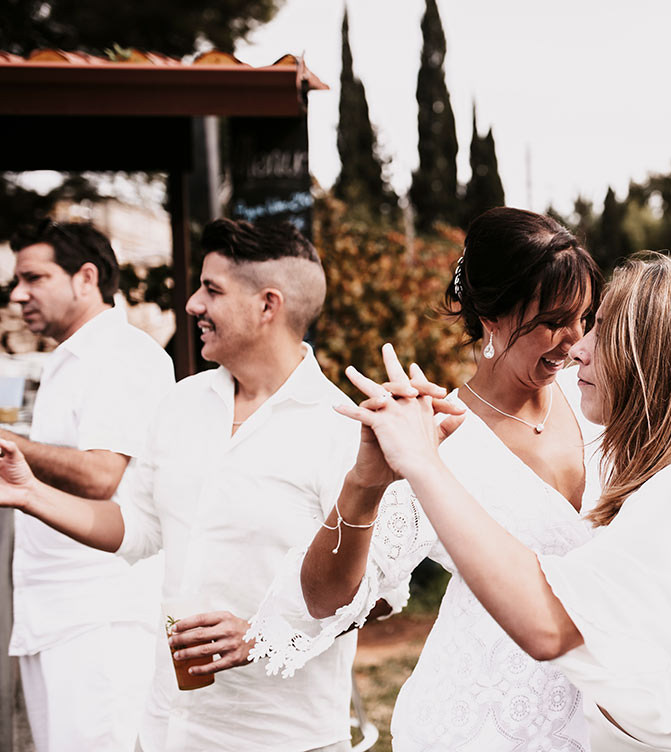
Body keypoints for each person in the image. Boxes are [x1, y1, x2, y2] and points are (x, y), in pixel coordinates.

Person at [248, 209, 671, 750]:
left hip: (627, 720)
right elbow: (324, 599)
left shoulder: (607, 400)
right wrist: (365, 484)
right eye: (551, 323)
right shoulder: (438, 434)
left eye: (586, 318)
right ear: (491, 318)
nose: (573, 342)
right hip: (497, 720)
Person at [0, 219, 394, 751]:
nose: (191, 304)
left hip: (284, 737)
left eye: (211, 289)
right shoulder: (181, 404)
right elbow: (136, 528)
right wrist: (29, 493)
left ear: (267, 305)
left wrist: (262, 636)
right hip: (170, 729)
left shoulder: (345, 427)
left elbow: (381, 595)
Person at [2, 219, 174, 752]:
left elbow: (102, 474)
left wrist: (11, 445)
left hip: (99, 615)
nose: (18, 293)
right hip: (53, 610)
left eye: (34, 277)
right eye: (16, 280)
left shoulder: (121, 355)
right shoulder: (69, 357)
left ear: (86, 277)